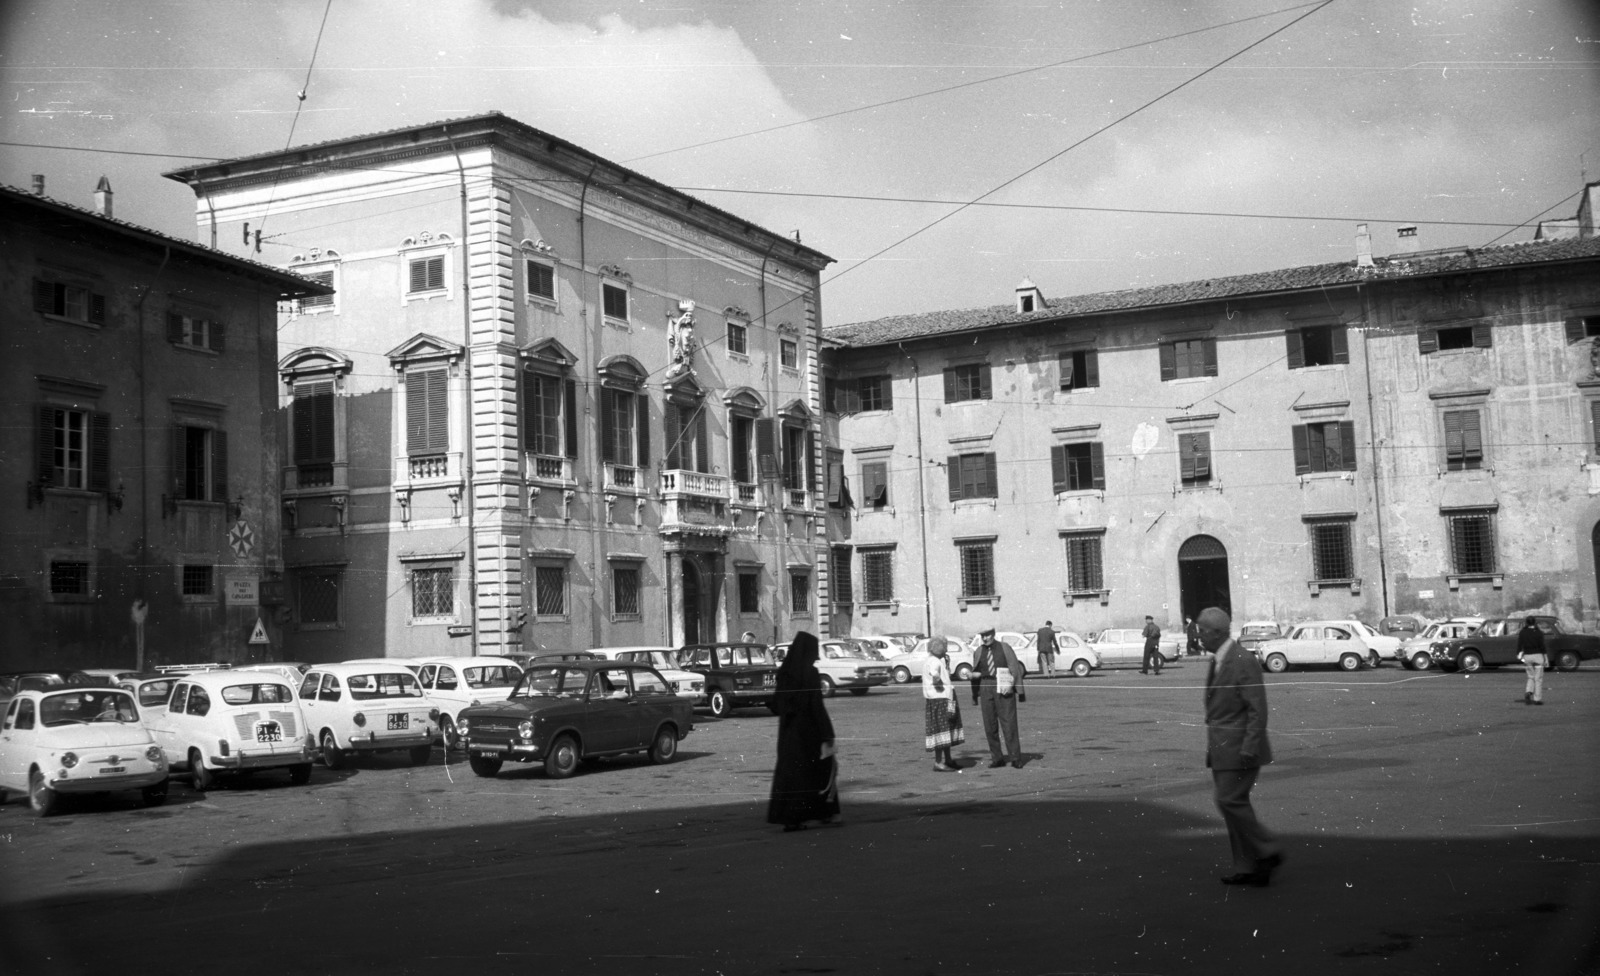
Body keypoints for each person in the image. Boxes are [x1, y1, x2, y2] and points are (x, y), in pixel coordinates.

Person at [1198, 606, 1284, 887]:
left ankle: (1267, 848)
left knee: (1228, 800)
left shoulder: (1241, 660)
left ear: (1217, 633)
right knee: (1234, 803)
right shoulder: (1219, 659)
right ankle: (1249, 867)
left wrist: (1250, 744)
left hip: (1241, 748)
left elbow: (1257, 708)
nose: (1199, 636)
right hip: (1224, 747)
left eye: (1202, 631)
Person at [767, 631, 840, 832]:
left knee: (790, 773)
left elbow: (775, 705)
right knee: (820, 770)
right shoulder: (810, 673)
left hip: (789, 732)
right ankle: (824, 813)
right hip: (809, 731)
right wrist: (828, 733)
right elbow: (816, 706)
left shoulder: (785, 672)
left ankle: (790, 818)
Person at [969, 628, 1026, 769]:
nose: (985, 638)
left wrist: (1012, 685)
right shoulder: (978, 651)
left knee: (1009, 723)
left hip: (1003, 685)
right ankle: (997, 758)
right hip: (985, 686)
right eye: (983, 636)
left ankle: (1015, 757)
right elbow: (977, 671)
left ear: (993, 634)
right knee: (990, 725)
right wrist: (973, 679)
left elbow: (1014, 668)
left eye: (988, 635)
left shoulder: (1004, 647)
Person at [923, 637, 965, 771]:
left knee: (947, 729)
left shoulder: (937, 660)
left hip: (945, 698)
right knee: (941, 729)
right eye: (945, 646)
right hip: (940, 699)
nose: (946, 649)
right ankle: (939, 762)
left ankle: (948, 759)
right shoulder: (934, 661)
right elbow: (934, 673)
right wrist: (937, 680)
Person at [1517, 616, 1546, 706]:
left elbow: (1519, 645)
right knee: (1538, 678)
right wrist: (1545, 657)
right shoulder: (1539, 633)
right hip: (1538, 656)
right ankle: (1537, 699)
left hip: (1527, 656)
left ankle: (1529, 691)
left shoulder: (1522, 632)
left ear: (1526, 623)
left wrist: (1518, 653)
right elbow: (1542, 646)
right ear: (1534, 622)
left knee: (1530, 676)